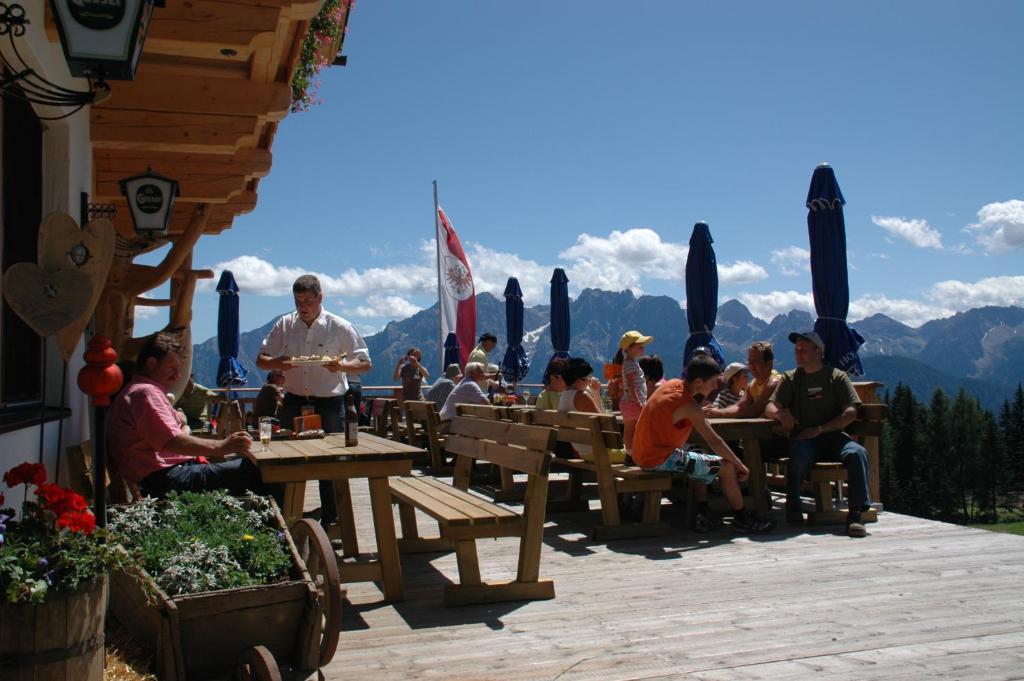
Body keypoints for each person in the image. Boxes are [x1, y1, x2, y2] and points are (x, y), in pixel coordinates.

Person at [107, 332, 279, 501]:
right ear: (151, 364)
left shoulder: (139, 391)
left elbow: (167, 430)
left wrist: (179, 419)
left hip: (161, 477)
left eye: (179, 370)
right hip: (166, 480)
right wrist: (222, 446)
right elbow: (173, 441)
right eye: (172, 369)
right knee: (263, 472)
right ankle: (275, 526)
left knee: (255, 468)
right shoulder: (146, 393)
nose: (178, 376)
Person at [256, 275, 372, 526]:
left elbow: (364, 363)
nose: (303, 306)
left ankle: (333, 520)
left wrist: (342, 365)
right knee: (285, 457)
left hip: (330, 402)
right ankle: (282, 517)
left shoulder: (340, 326)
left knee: (331, 462)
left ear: (320, 298)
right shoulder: (285, 325)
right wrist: (278, 363)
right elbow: (261, 360)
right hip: (294, 400)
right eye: (298, 301)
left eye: (308, 300)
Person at [632, 354, 774, 534]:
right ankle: (741, 517)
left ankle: (702, 511)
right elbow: (715, 440)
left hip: (644, 453)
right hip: (657, 459)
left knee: (698, 452)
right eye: (714, 382)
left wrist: (698, 412)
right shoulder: (689, 406)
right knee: (726, 467)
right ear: (699, 382)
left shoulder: (673, 385)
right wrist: (740, 465)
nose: (716, 386)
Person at [765, 331, 871, 537]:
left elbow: (851, 411)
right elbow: (770, 407)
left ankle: (856, 514)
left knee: (857, 453)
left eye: (803, 350)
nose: (798, 354)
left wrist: (821, 429)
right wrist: (780, 415)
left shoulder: (837, 377)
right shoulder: (791, 378)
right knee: (799, 453)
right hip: (804, 437)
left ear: (818, 351)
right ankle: (794, 505)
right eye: (796, 350)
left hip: (833, 437)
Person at [704, 341, 781, 419]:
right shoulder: (752, 385)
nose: (751, 365)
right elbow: (739, 406)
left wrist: (720, 413)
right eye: (749, 361)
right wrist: (716, 412)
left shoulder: (774, 382)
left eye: (755, 361)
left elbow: (755, 410)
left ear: (769, 363)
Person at [614, 330, 653, 450]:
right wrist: (638, 401)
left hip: (631, 402)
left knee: (631, 428)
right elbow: (631, 385)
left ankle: (632, 451)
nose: (642, 349)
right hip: (633, 402)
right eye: (639, 347)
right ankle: (631, 453)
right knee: (632, 429)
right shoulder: (630, 364)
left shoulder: (630, 363)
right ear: (629, 348)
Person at [438, 362, 490, 431]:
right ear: (472, 373)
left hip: (444, 422)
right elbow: (486, 404)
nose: (483, 375)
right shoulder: (470, 384)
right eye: (480, 372)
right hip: (448, 425)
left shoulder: (464, 382)